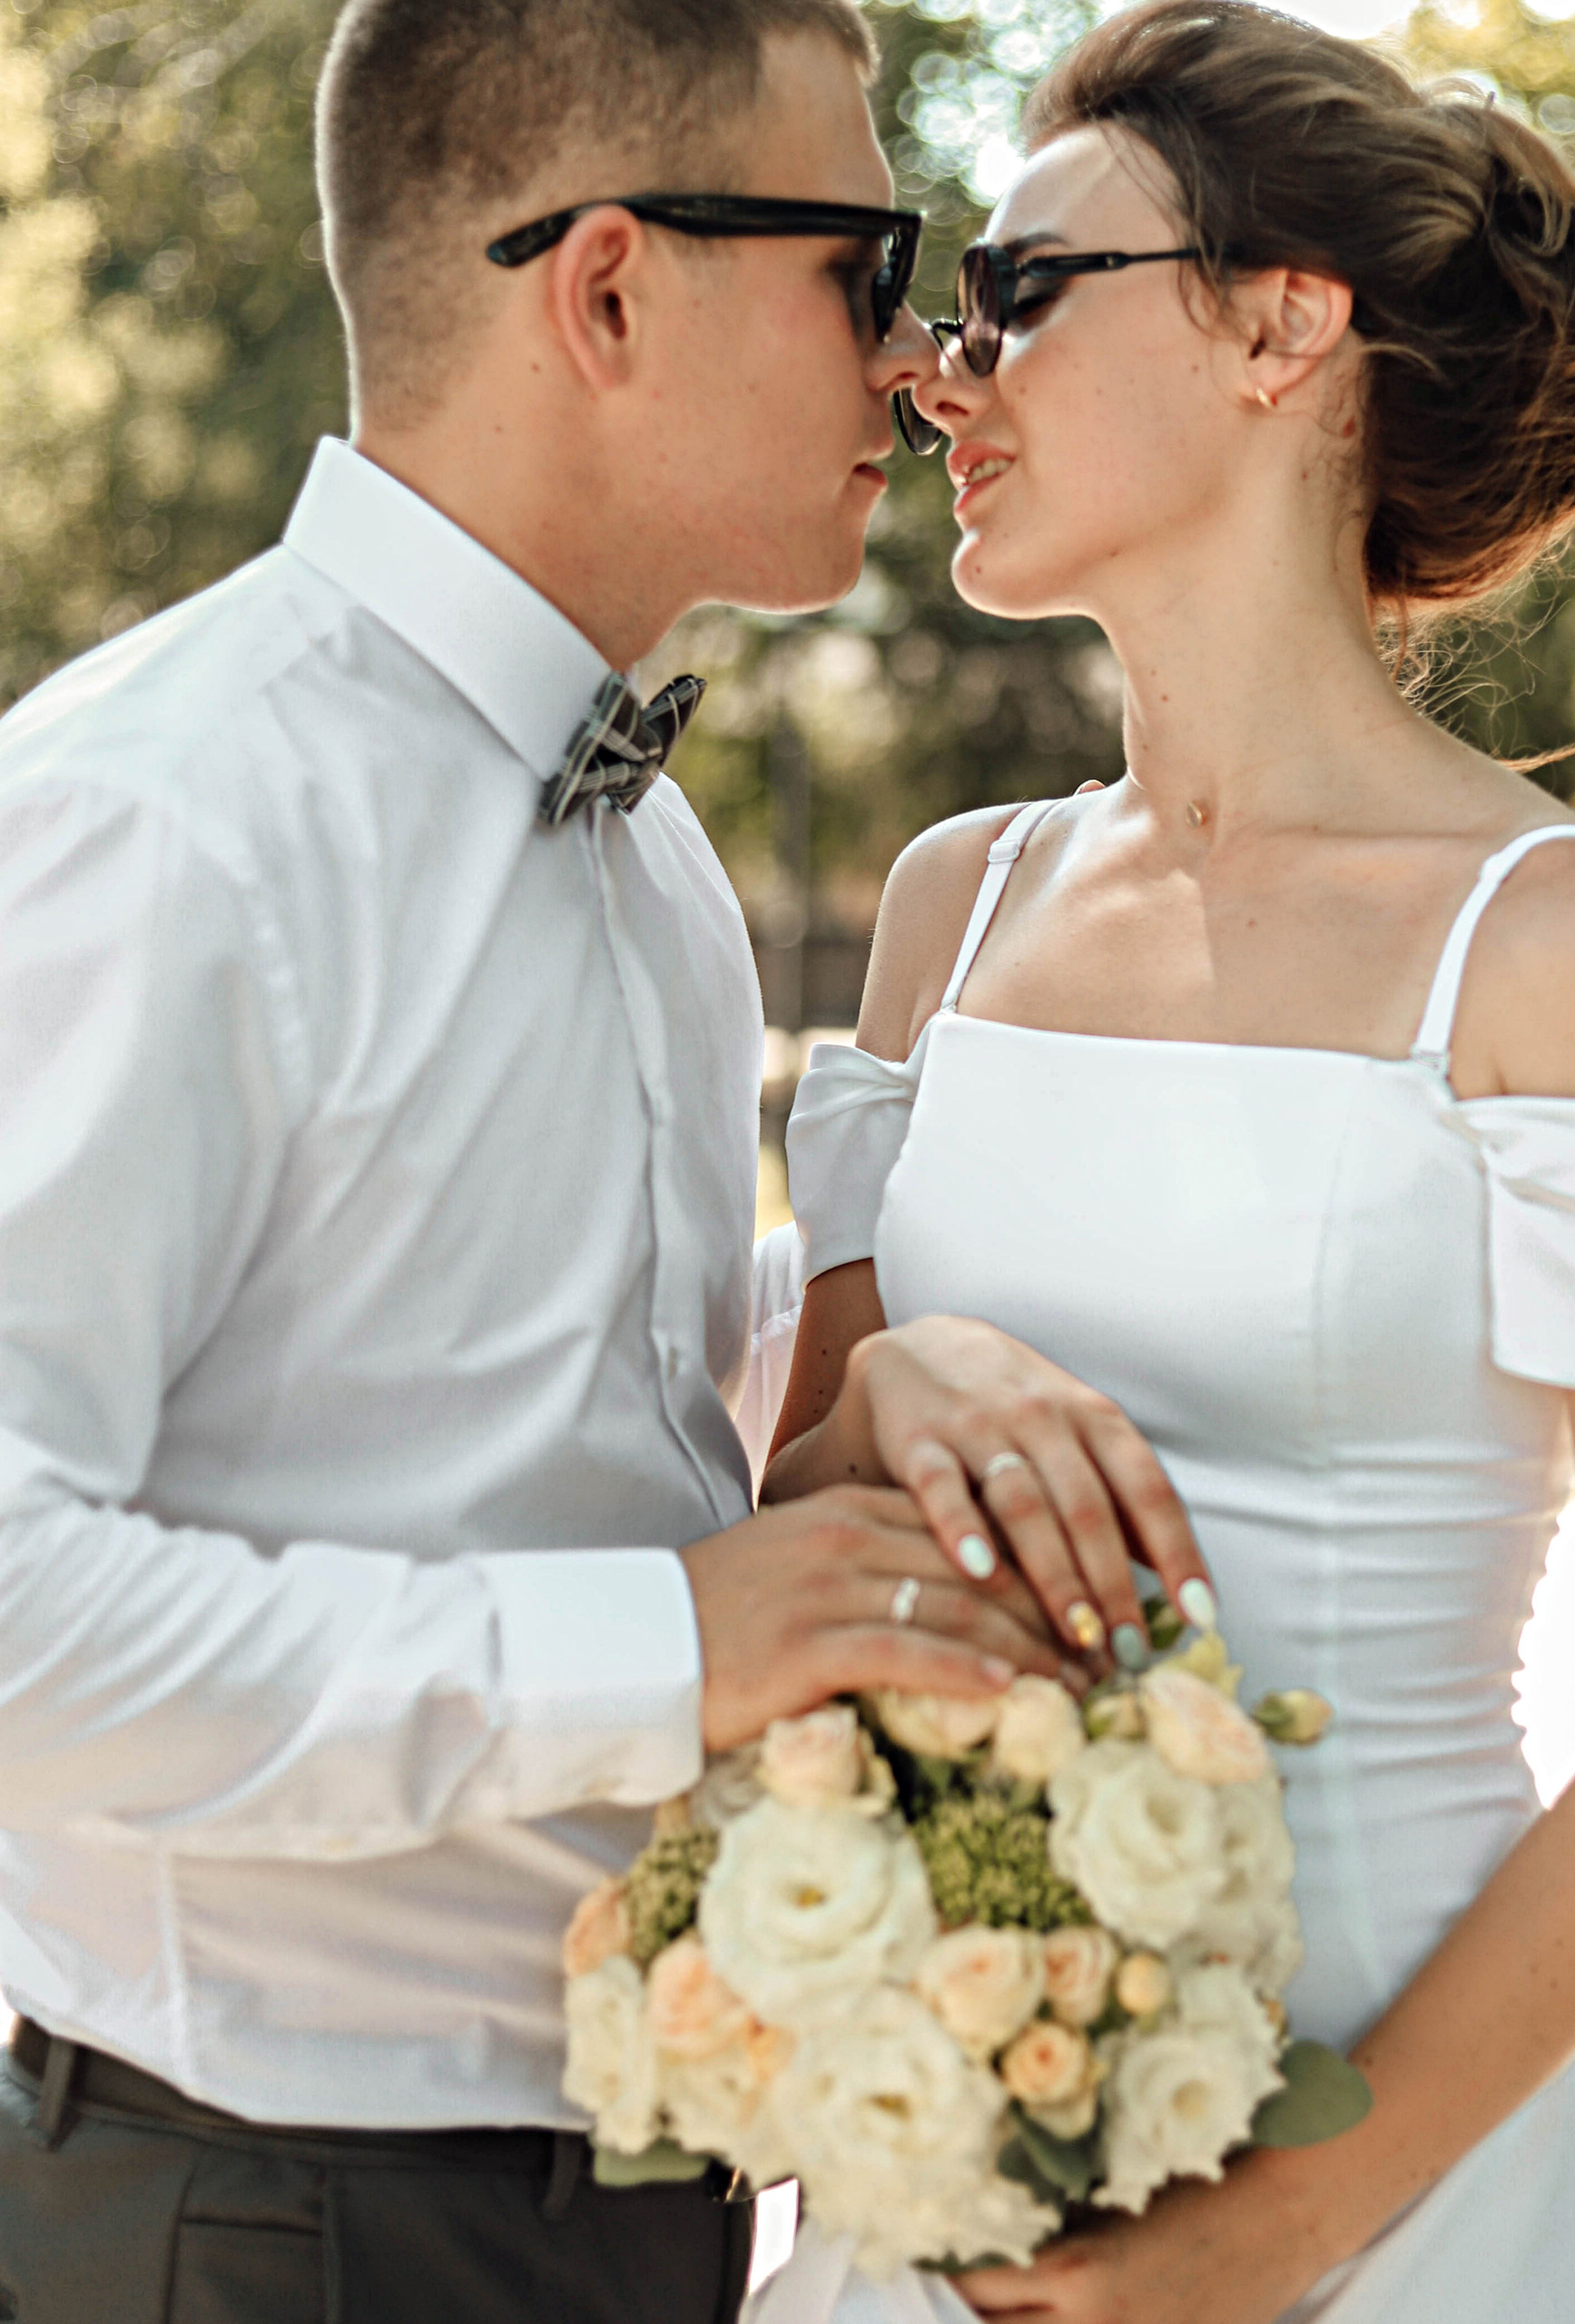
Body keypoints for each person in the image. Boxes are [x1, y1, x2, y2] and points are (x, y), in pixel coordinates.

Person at [0, 3, 1209, 2318]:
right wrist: (651, 1646)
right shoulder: (160, 821)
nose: (911, 358)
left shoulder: (643, 851)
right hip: (263, 2224)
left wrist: (879, 1374)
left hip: (645, 2193)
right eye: (867, 263)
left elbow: (530, 1407)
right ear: (612, 289)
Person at [755, 6, 1575, 2320]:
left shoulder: (1560, 947)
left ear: (1279, 325)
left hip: (1383, 2159)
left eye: (1025, 288)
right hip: (944, 2094)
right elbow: (789, 1532)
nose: (943, 370)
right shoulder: (950, 902)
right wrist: (888, 1388)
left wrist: (1284, 2225)